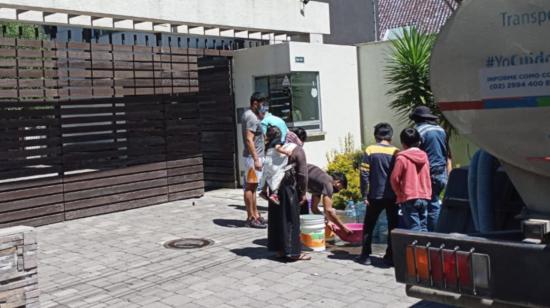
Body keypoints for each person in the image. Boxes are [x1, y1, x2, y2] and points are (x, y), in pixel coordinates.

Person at [356, 123, 399, 266]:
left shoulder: (370, 150)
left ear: (376, 135)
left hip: (374, 195)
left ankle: (366, 256)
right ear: (390, 136)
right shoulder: (396, 152)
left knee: (369, 226)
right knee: (392, 226)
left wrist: (364, 194)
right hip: (393, 196)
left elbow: (364, 174)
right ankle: (390, 256)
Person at [267, 126, 311, 261]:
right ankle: (293, 253)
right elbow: (303, 174)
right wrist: (303, 192)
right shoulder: (298, 150)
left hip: (274, 187)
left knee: (278, 219)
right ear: (300, 139)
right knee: (291, 220)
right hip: (288, 188)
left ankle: (280, 250)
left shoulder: (278, 147)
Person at [410, 106, 452, 231]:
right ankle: (437, 233)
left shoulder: (418, 131)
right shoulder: (441, 130)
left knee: (426, 206)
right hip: (441, 172)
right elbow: (447, 154)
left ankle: (432, 235)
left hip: (427, 173)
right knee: (435, 204)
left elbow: (414, 154)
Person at [390, 128, 432, 231]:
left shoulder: (402, 158)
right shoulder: (424, 156)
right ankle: (424, 246)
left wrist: (399, 193)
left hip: (409, 197)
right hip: (425, 195)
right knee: (423, 226)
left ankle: (416, 247)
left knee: (414, 227)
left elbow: (394, 178)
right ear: (418, 142)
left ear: (403, 143)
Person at [241, 92, 268, 229]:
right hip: (252, 158)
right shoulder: (251, 117)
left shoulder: (251, 115)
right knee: (250, 187)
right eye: (262, 104)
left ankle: (256, 215)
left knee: (254, 187)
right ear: (255, 103)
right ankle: (250, 217)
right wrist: (256, 159)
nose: (264, 107)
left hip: (254, 156)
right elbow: (249, 139)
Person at [307, 164, 353, 235]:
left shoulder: (319, 185)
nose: (339, 191)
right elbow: (328, 210)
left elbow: (314, 208)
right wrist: (343, 227)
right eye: (340, 188)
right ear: (338, 182)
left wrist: (327, 221)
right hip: (293, 178)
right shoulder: (328, 184)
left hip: (293, 179)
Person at [259, 126, 297, 205]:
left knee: (268, 176)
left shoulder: (268, 142)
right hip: (273, 163)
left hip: (267, 162)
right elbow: (277, 148)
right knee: (279, 176)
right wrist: (286, 152)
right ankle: (274, 194)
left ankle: (263, 191)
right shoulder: (277, 140)